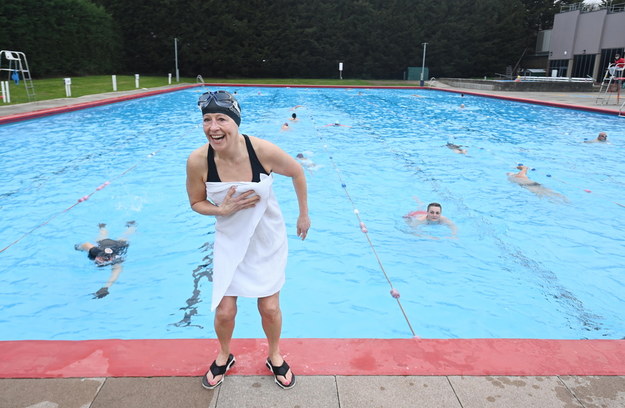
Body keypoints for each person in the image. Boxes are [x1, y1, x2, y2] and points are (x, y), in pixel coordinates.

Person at [186, 90, 310, 390]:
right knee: (225, 310)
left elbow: (296, 172)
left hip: (267, 238)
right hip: (230, 240)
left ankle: (275, 355)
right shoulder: (198, 161)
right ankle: (224, 355)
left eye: (221, 119)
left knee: (269, 308)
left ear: (236, 122)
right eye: (207, 119)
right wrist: (221, 209)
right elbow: (195, 203)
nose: (213, 127)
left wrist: (303, 215)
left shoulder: (261, 151)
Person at [75, 221, 136, 299]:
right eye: (99, 258)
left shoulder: (116, 260)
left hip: (118, 246)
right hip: (104, 244)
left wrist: (106, 287)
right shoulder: (95, 251)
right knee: (101, 237)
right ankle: (102, 227)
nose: (99, 260)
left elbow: (116, 274)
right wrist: (79, 247)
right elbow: (86, 244)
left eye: (103, 260)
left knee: (125, 237)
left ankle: (131, 226)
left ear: (110, 259)